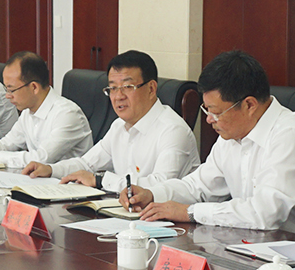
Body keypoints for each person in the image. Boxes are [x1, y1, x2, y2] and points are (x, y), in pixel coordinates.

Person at [126, 50, 295, 233]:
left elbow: (264, 213)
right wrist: (152, 194)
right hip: (260, 246)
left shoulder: (292, 136)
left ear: (249, 105)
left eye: (215, 112)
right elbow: (198, 186)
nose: (209, 119)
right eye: (206, 110)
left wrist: (189, 212)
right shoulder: (232, 134)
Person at [25, 49, 198, 193]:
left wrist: (100, 180)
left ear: (151, 89)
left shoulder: (173, 130)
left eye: (127, 87)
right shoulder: (119, 126)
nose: (118, 96)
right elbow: (86, 164)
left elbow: (161, 185)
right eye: (113, 88)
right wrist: (50, 169)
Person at [0, 52, 92, 168]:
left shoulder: (67, 114)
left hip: (67, 179)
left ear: (34, 87)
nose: (7, 96)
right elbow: (8, 143)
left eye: (11, 90)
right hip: (38, 178)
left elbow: (41, 159)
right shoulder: (27, 111)